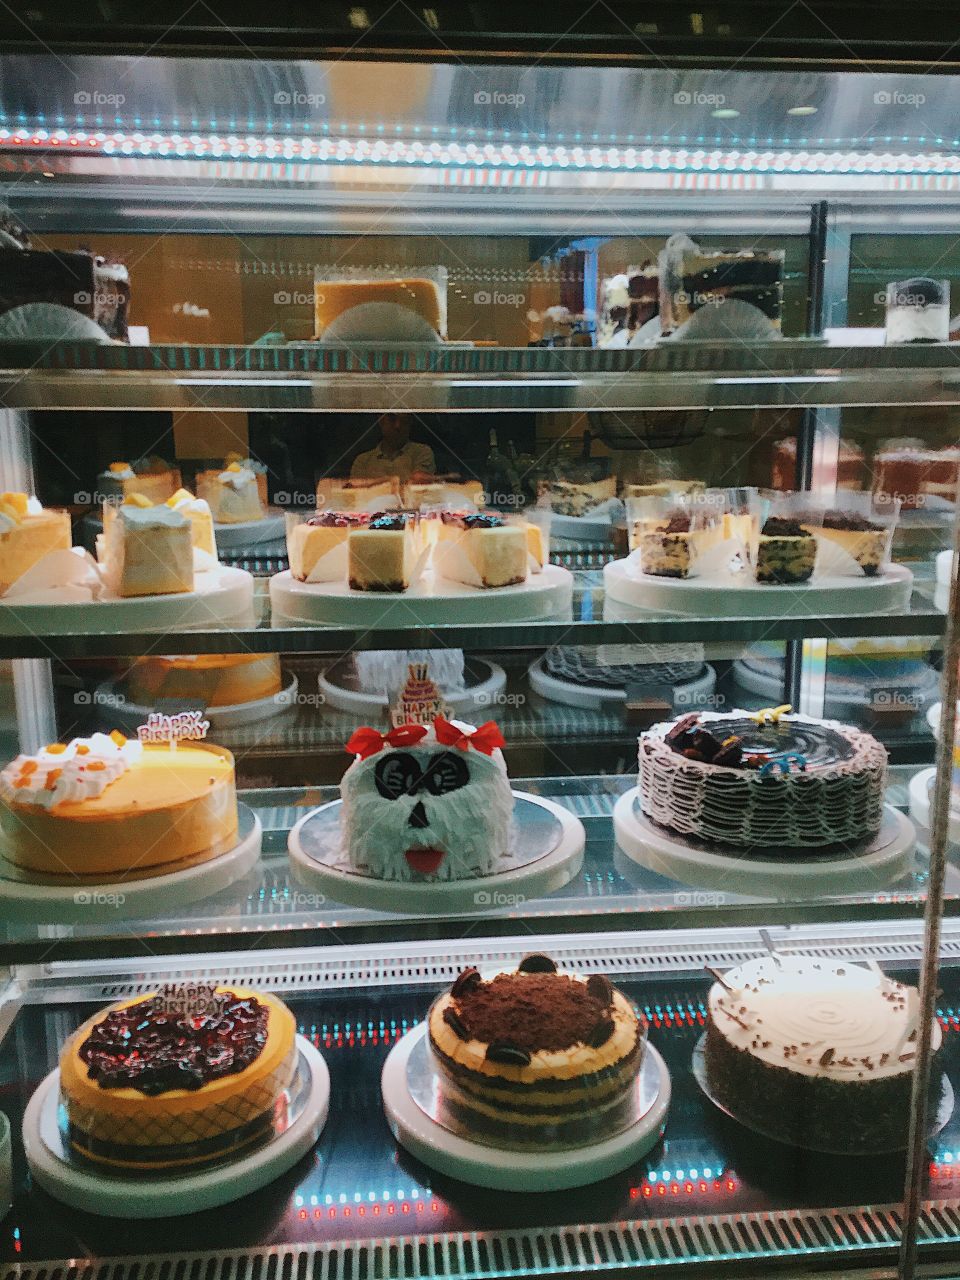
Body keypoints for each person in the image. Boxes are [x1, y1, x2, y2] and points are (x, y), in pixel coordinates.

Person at [350, 413, 436, 484]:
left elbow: (419, 488)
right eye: (392, 418)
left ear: (410, 422)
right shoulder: (362, 461)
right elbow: (357, 496)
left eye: (404, 421)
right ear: (381, 420)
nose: (397, 425)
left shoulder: (422, 452)